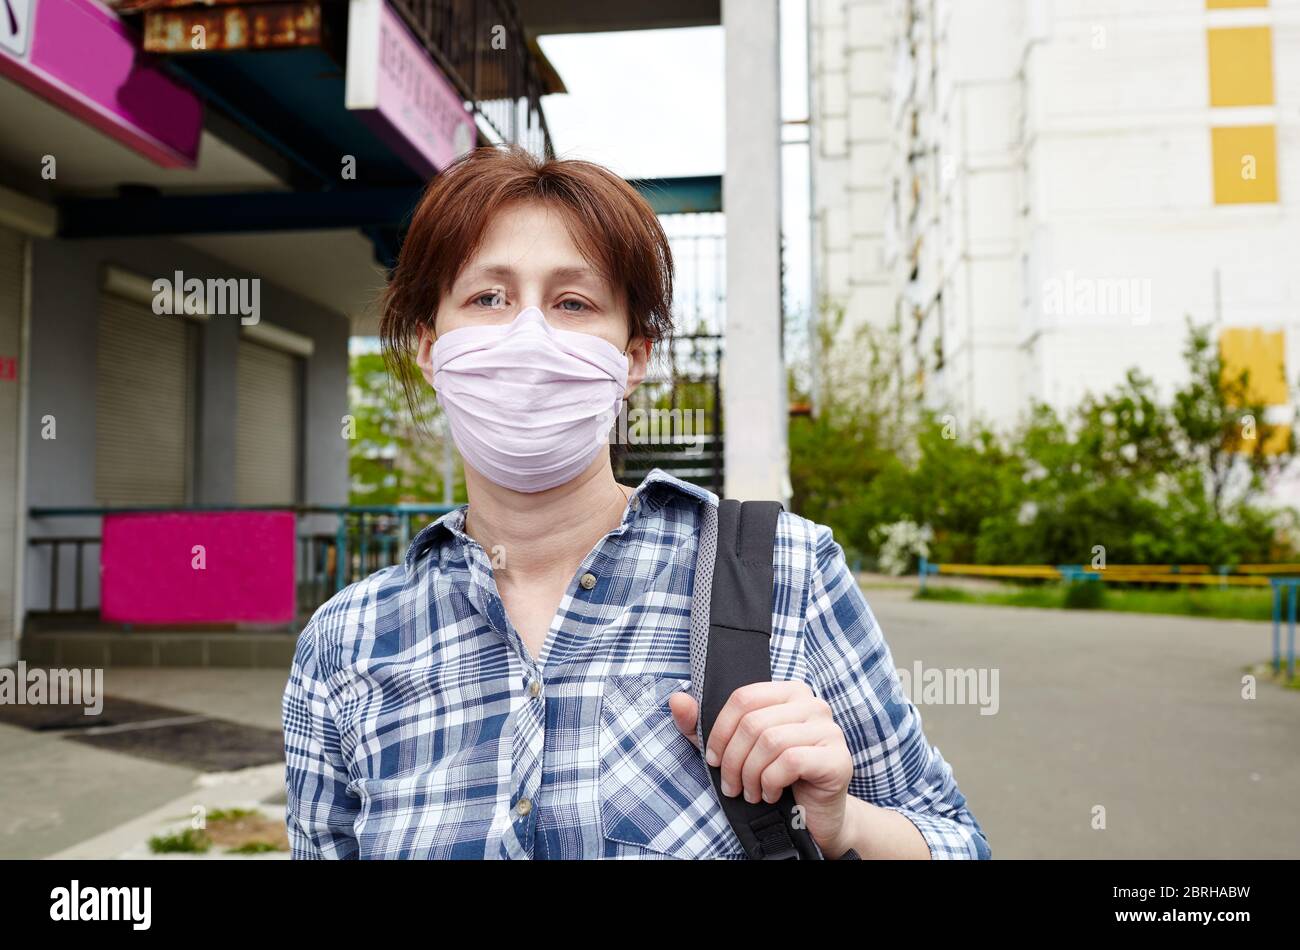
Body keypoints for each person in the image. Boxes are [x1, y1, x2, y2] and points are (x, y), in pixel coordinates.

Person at [282, 146, 990, 860]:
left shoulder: (783, 573)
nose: (529, 335)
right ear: (430, 349)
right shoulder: (345, 642)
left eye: (573, 303)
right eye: (488, 297)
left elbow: (957, 840)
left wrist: (843, 826)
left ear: (633, 359)